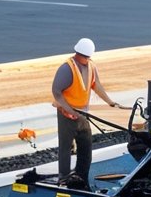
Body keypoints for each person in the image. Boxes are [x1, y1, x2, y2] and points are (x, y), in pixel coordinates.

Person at [51, 38, 126, 189]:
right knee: (65, 148)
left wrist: (109, 101)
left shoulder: (91, 66)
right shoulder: (67, 68)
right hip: (67, 115)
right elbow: (56, 92)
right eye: (84, 56)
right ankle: (64, 180)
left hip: (83, 114)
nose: (86, 59)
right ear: (77, 53)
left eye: (88, 57)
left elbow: (96, 84)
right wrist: (69, 110)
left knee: (86, 147)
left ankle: (81, 178)